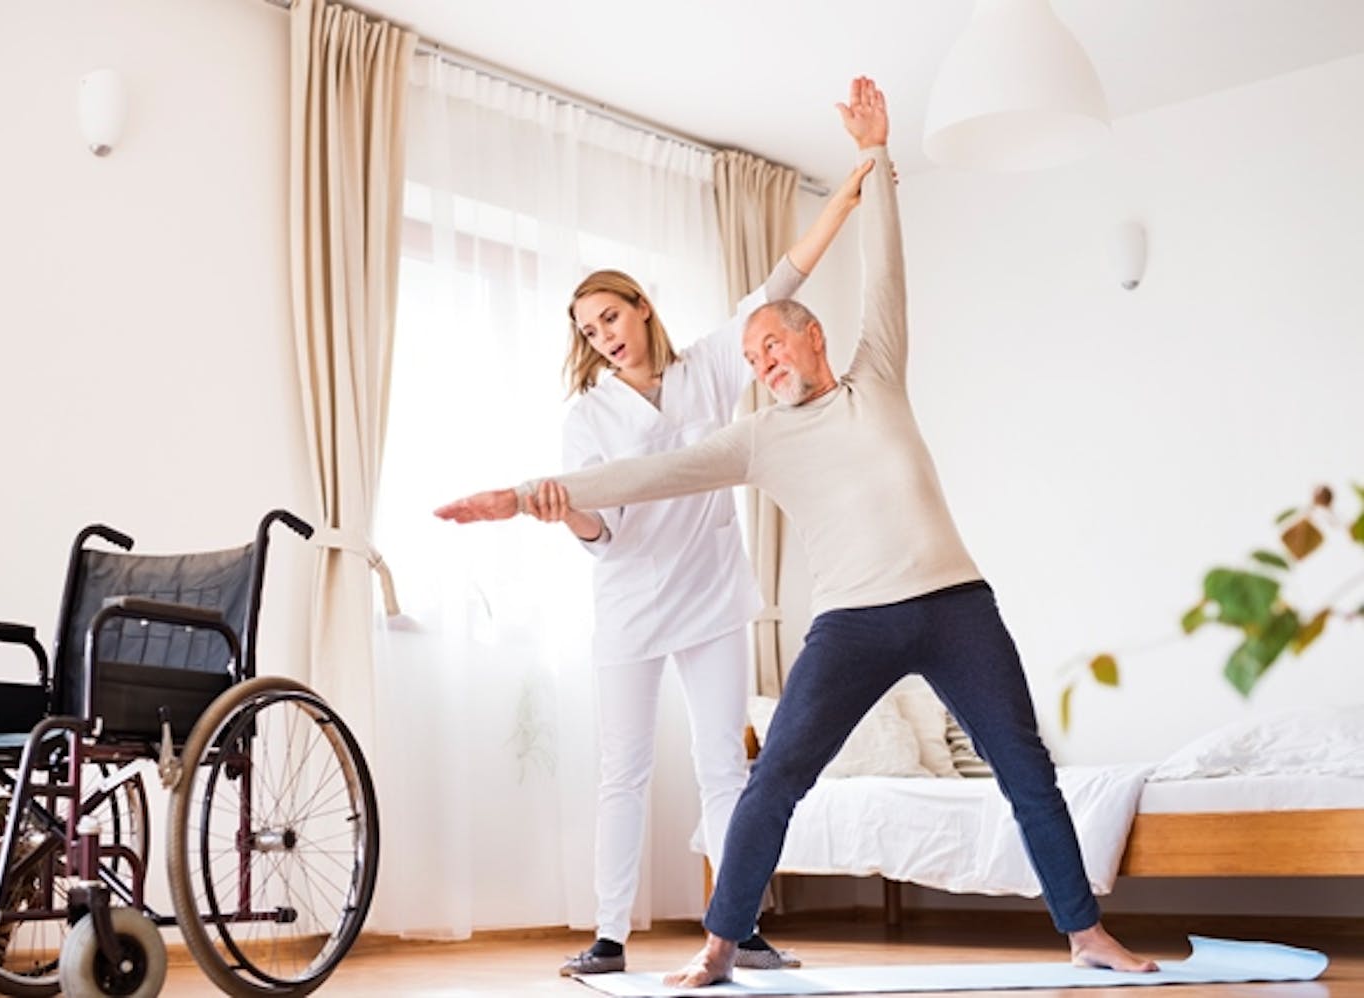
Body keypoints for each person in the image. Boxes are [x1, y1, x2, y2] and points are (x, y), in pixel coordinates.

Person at [435, 75, 1159, 986]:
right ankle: (720, 945)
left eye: (772, 343)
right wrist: (522, 495)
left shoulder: (877, 374)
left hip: (955, 607)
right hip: (852, 624)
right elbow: (643, 476)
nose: (761, 360)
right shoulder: (757, 439)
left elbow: (886, 266)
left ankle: (1086, 934)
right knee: (774, 776)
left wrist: (875, 158)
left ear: (814, 337)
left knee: (1024, 767)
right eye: (751, 356)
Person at [542, 134, 873, 977]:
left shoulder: (710, 367)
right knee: (623, 771)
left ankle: (739, 926)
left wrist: (845, 197)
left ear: (641, 308)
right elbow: (602, 533)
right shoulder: (588, 418)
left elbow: (780, 285)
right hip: (630, 605)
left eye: (610, 317)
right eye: (589, 330)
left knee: (724, 764)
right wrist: (569, 514)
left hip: (713, 596)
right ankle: (608, 936)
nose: (604, 336)